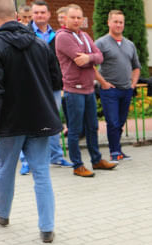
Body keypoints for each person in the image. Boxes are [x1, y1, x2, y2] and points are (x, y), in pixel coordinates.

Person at [0, 0, 61, 243]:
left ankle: (2, 213)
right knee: (42, 173)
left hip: (10, 122)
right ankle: (47, 228)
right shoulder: (40, 43)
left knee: (4, 170)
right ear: (16, 15)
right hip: (40, 119)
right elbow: (56, 81)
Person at [55, 4, 118, 177]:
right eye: (73, 17)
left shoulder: (84, 35)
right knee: (75, 131)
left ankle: (96, 160)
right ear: (65, 18)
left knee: (92, 127)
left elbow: (100, 56)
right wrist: (91, 58)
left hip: (89, 89)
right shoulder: (62, 37)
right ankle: (77, 165)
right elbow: (78, 60)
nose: (76, 20)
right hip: (74, 90)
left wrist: (89, 57)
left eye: (79, 17)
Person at [18, 0, 73, 174]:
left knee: (54, 122)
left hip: (53, 86)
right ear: (31, 15)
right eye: (36, 13)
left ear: (49, 15)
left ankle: (56, 156)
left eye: (43, 12)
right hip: (32, 87)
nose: (40, 15)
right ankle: (26, 161)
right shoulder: (24, 34)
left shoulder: (57, 36)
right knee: (29, 124)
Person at [95, 10, 141, 162]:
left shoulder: (130, 44)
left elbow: (136, 67)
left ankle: (118, 150)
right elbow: (91, 66)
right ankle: (114, 152)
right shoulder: (101, 43)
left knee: (120, 122)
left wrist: (133, 84)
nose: (119, 25)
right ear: (109, 23)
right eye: (115, 21)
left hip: (126, 90)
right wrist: (103, 83)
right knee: (113, 122)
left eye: (121, 22)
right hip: (110, 91)